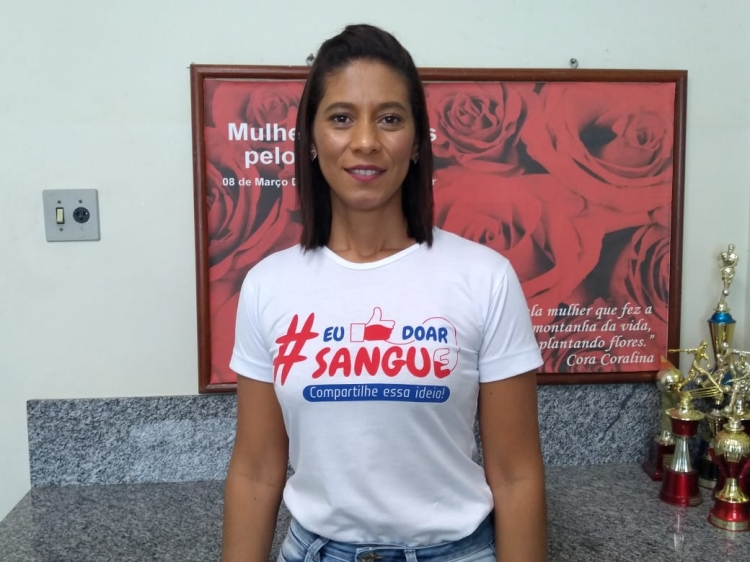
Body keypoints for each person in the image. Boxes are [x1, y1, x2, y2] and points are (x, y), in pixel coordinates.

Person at [222, 24, 547, 562]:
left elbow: (516, 475)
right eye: (341, 118)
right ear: (311, 138)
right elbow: (256, 470)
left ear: (417, 142)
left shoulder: (485, 277)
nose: (366, 141)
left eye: (390, 119)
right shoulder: (269, 284)